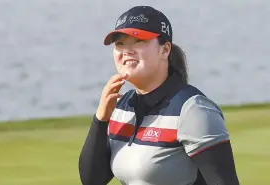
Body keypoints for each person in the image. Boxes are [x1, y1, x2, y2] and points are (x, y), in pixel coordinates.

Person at [79, 5, 240, 185]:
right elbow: (92, 180)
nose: (127, 50)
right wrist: (101, 119)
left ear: (165, 50)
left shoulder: (193, 109)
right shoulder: (122, 107)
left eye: (138, 41)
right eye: (120, 43)